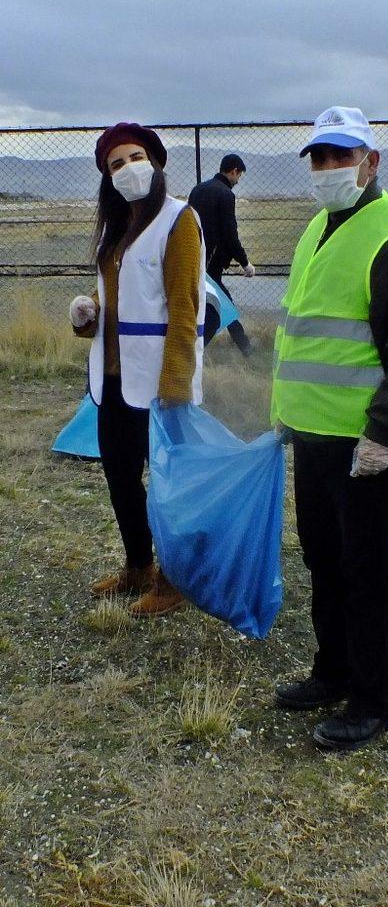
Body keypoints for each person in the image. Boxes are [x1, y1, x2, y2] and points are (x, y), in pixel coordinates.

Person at [271, 106, 388, 751]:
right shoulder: (319, 225)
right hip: (313, 436)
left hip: (362, 443)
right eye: (318, 157)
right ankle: (333, 670)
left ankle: (378, 698)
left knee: (367, 570)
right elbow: (304, 329)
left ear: (371, 162)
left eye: (341, 156)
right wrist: (285, 416)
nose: (328, 168)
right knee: (323, 558)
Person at [69, 122, 206, 615]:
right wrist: (89, 316)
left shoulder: (179, 221)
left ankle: (173, 581)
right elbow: (121, 301)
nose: (127, 168)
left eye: (135, 157)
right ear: (107, 176)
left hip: (157, 385)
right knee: (121, 477)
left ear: (156, 161)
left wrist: (174, 386)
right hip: (112, 381)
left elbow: (185, 309)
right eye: (116, 163)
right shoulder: (113, 228)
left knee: (167, 485)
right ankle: (138, 567)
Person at [188, 154, 254, 357]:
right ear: (234, 171)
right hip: (211, 261)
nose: (238, 180)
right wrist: (245, 263)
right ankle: (243, 349)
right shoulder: (226, 194)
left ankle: (244, 346)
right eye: (239, 175)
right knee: (222, 305)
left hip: (194, 256)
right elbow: (229, 233)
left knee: (205, 305)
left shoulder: (198, 190)